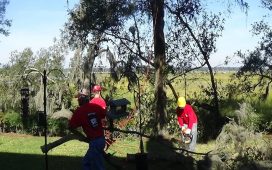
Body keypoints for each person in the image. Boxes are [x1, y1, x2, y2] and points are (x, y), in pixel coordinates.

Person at [69, 99, 106, 170]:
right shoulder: (96, 106)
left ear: (79, 102)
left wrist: (80, 136)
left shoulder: (79, 111)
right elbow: (105, 114)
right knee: (86, 162)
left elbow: (71, 127)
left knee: (97, 166)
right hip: (101, 139)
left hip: (94, 142)